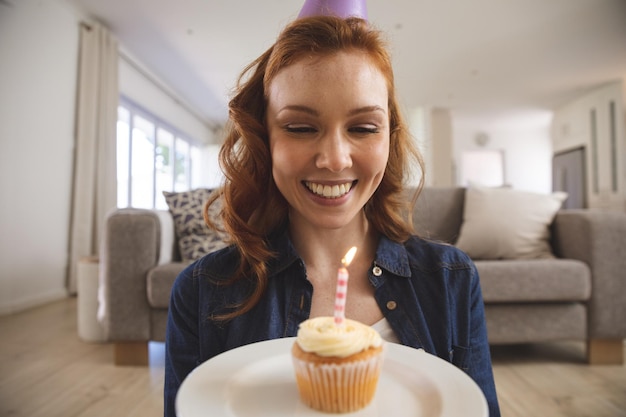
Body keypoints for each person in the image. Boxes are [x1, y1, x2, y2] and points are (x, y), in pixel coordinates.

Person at [164, 15, 501, 417]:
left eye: (362, 127)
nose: (335, 159)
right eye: (301, 127)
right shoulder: (203, 293)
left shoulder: (452, 280)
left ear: (389, 139)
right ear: (265, 140)